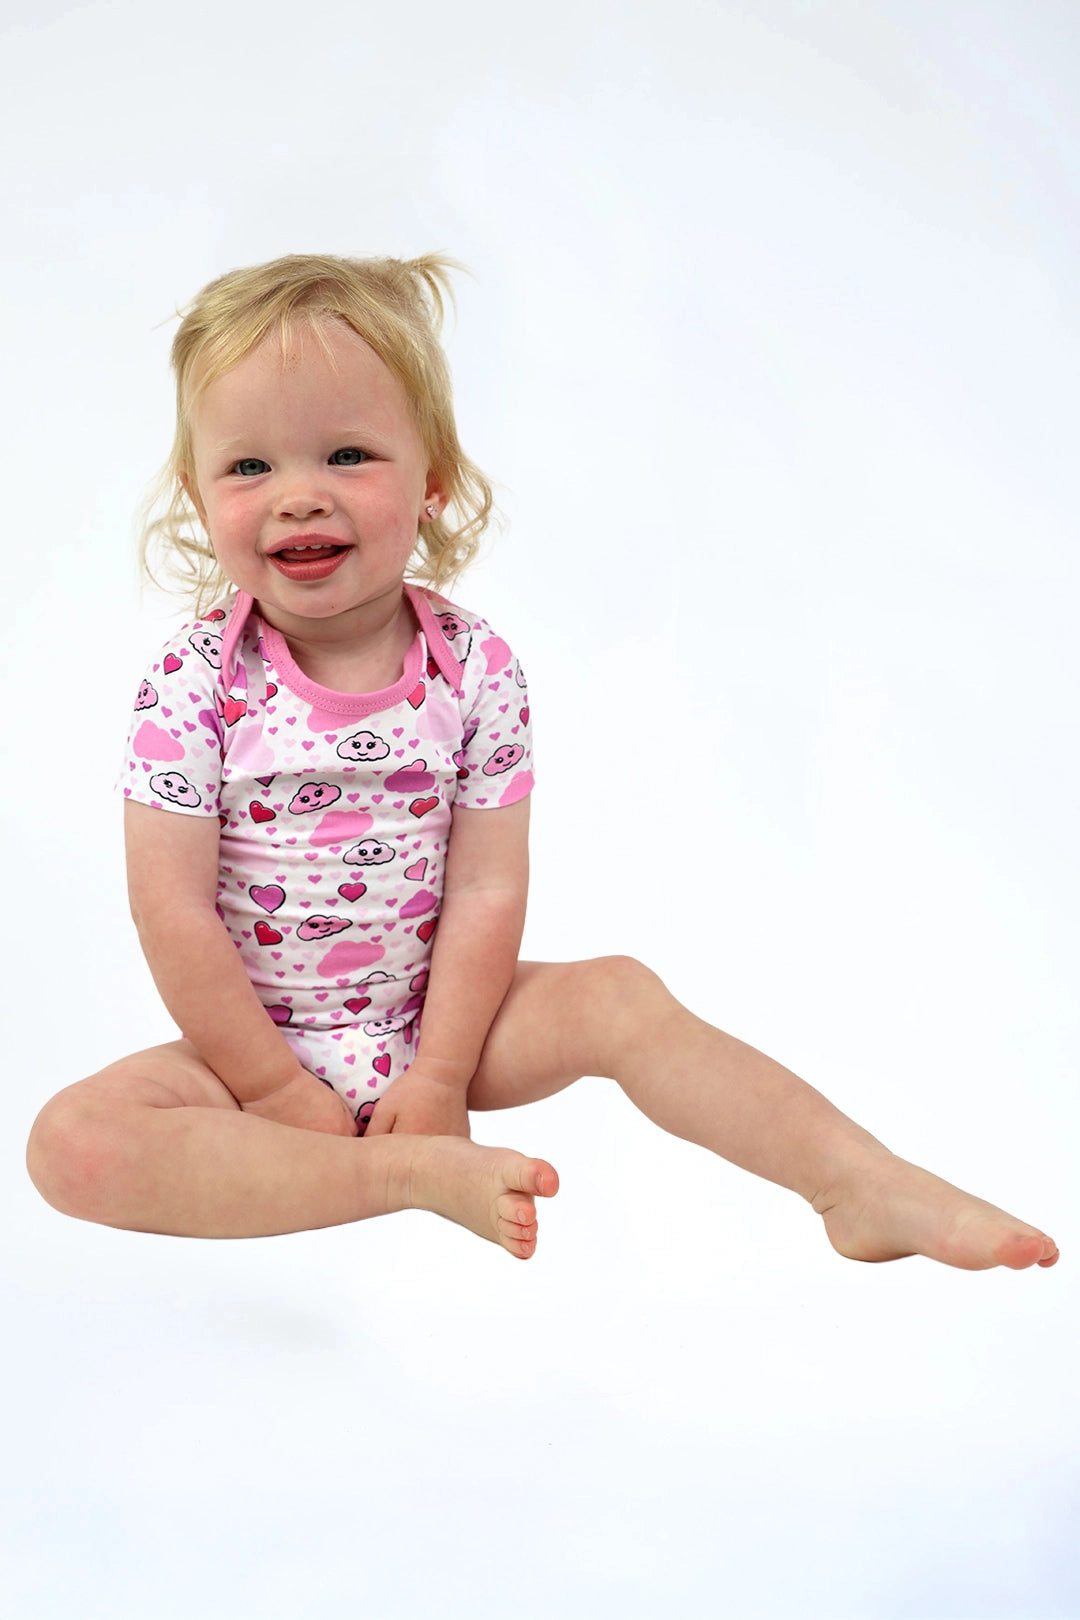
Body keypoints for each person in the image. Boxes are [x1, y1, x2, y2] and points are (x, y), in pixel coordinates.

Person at [25, 253, 1059, 1271]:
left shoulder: (473, 666)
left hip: (440, 1023)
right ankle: (405, 1177)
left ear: (432, 478)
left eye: (347, 455)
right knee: (73, 1145)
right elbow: (173, 909)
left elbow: (484, 888)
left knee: (620, 997)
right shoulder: (193, 680)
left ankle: (858, 1181)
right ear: (199, 493)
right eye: (249, 467)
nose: (298, 496)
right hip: (249, 1049)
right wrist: (273, 1088)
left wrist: (439, 1073)